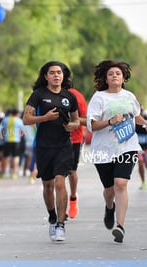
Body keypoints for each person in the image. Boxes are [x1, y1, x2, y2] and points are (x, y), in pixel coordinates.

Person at [86, 60, 147, 244]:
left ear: (123, 78)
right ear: (106, 79)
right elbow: (91, 125)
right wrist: (110, 121)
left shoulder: (129, 96)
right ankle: (109, 207)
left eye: (118, 73)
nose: (115, 75)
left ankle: (120, 226)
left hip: (128, 147)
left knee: (121, 184)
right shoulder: (99, 98)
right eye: (111, 74)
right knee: (109, 191)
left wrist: (146, 123)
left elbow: (136, 115)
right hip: (103, 150)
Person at [22, 61, 80, 242]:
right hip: (44, 146)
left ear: (64, 76)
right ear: (46, 76)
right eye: (52, 72)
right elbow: (26, 119)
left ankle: (61, 225)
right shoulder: (38, 95)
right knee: (47, 185)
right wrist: (45, 118)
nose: (57, 75)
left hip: (64, 145)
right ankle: (52, 217)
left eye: (60, 73)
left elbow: (76, 120)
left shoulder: (69, 96)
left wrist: (72, 126)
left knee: (60, 182)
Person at [67, 85, 87, 219]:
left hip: (74, 139)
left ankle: (73, 198)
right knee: (57, 175)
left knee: (71, 171)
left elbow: (86, 120)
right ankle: (60, 208)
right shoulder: (46, 94)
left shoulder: (77, 96)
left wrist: (72, 119)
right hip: (53, 139)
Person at [0, 109, 25, 180]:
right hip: (16, 141)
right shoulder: (19, 120)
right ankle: (14, 173)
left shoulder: (5, 120)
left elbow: (0, 129)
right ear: (16, 114)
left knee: (5, 156)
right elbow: (22, 131)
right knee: (15, 156)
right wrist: (20, 136)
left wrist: (3, 138)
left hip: (6, 140)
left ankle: (4, 172)